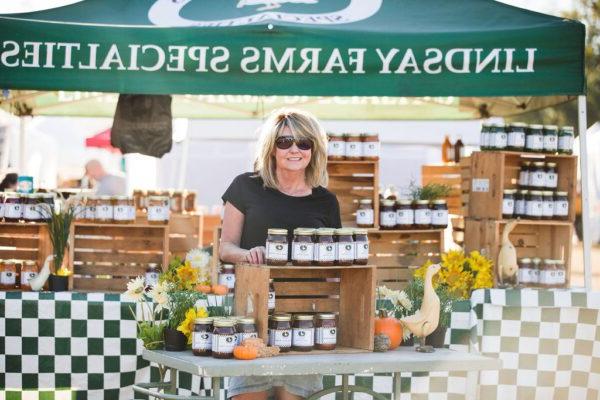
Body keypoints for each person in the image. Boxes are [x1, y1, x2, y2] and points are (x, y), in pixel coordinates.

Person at [220, 108, 341, 400]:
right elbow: (225, 248)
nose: (294, 149)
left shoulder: (326, 201)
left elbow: (337, 263)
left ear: (314, 148)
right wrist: (249, 254)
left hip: (304, 320)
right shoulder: (245, 186)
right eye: (285, 142)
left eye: (304, 142)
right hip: (252, 315)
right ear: (271, 147)